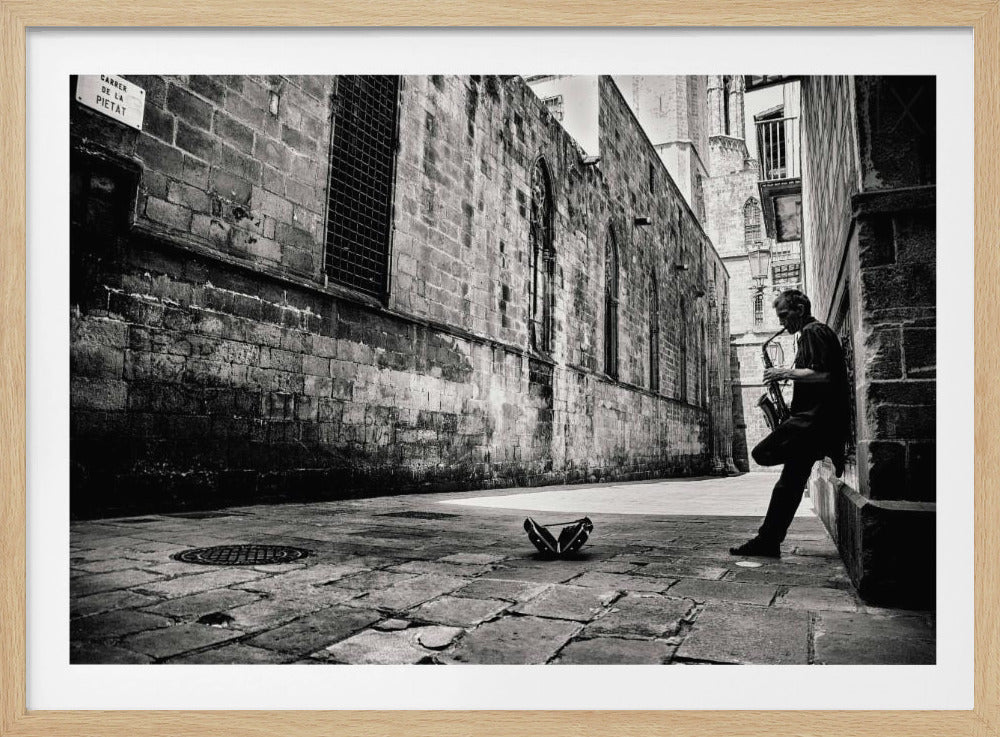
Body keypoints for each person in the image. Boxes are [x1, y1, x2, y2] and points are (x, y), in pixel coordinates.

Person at [730, 289, 850, 558]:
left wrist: (784, 372)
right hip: (811, 421)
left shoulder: (812, 332)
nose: (782, 322)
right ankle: (768, 540)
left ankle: (823, 447)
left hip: (812, 422)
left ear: (800, 309)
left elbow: (825, 375)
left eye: (784, 315)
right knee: (789, 485)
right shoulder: (812, 333)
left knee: (761, 453)